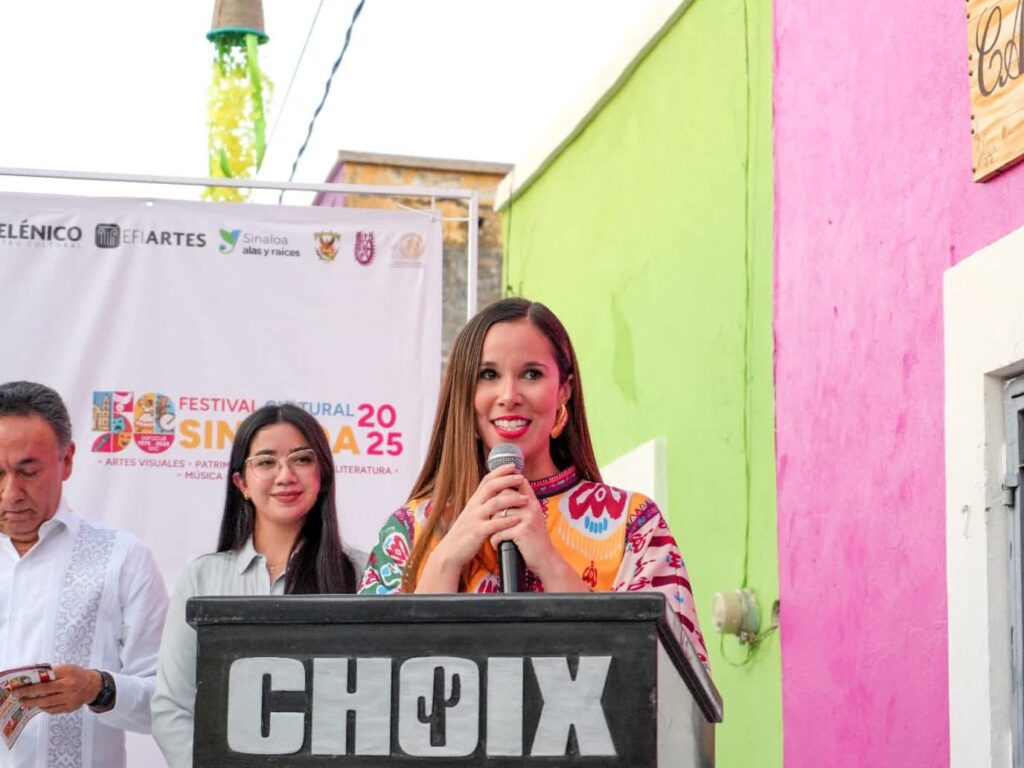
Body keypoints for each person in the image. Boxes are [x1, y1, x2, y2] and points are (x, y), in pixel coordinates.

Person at [359, 298, 709, 666]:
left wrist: (549, 563)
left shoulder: (632, 524)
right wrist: (446, 559)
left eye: (531, 374)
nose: (509, 396)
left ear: (564, 391)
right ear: (464, 394)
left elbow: (675, 675)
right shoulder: (410, 530)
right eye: (488, 375)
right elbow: (364, 676)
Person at [151, 403, 362, 767]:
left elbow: (376, 706)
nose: (285, 475)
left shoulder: (361, 574)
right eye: (266, 462)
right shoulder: (203, 579)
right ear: (242, 484)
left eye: (302, 459)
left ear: (323, 474)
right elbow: (172, 707)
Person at [0, 381, 168, 767]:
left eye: (28, 471)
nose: (11, 493)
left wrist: (99, 688)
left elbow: (169, 701)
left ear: (67, 460)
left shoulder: (123, 558)